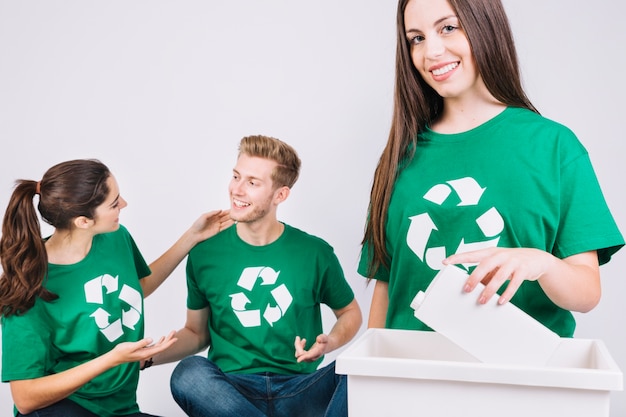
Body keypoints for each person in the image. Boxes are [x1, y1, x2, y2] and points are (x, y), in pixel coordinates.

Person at [359, 0, 624, 336]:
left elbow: (587, 294)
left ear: (485, 26)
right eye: (416, 38)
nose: (431, 51)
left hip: (517, 379)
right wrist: (370, 373)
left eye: (448, 28)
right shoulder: (398, 156)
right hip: (413, 378)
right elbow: (386, 286)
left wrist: (542, 264)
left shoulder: (553, 146)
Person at [0, 159, 232, 417]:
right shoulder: (26, 286)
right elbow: (25, 398)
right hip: (63, 409)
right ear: (83, 221)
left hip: (121, 409)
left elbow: (138, 286)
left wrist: (192, 237)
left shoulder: (115, 237)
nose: (124, 205)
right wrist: (112, 358)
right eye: (114, 203)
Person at [153, 135, 362, 417]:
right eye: (236, 176)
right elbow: (196, 333)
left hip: (299, 388)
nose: (237, 190)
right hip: (231, 390)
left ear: (280, 195)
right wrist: (146, 358)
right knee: (188, 373)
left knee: (358, 374)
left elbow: (349, 312)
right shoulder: (205, 253)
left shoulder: (314, 252)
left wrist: (330, 343)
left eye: (252, 183)